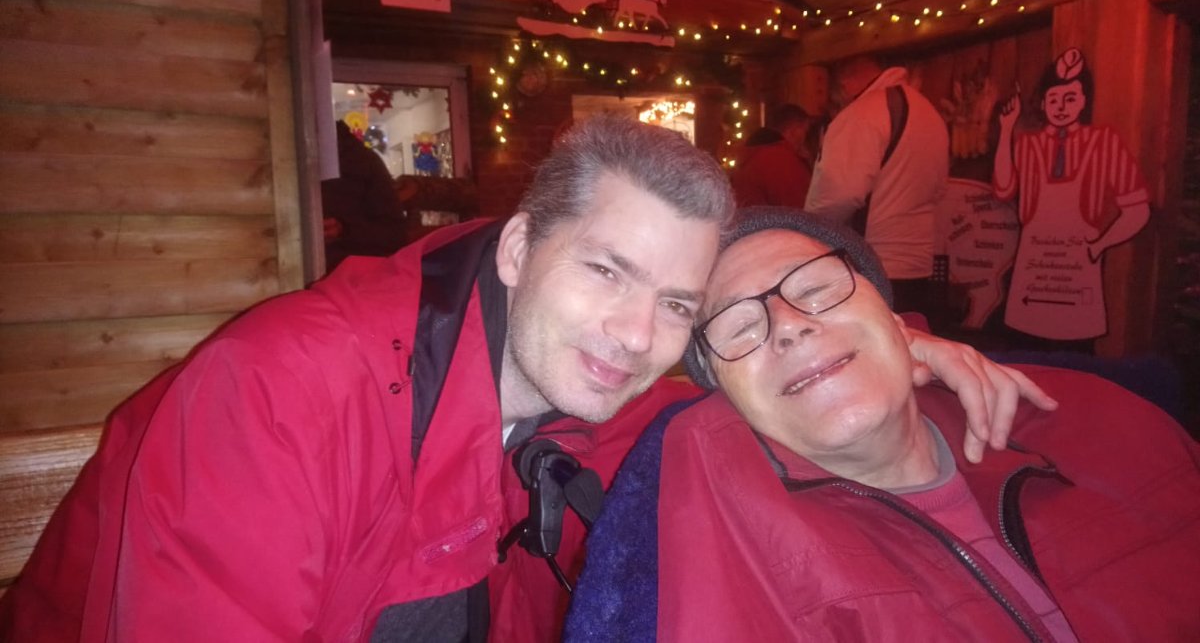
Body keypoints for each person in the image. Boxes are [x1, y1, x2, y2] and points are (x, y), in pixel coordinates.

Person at [1, 116, 1050, 643]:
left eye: (674, 303)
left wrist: (890, 345)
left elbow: (749, 370)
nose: (635, 334)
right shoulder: (287, 392)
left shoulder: (606, 384)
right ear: (515, 249)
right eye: (606, 270)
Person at [565, 207, 1199, 642]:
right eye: (740, 326)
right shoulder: (704, 488)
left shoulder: (1100, 421)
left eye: (818, 290)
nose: (790, 326)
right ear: (723, 395)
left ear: (902, 325)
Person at [993, 47, 1151, 345]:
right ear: (1043, 103)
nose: (1061, 107)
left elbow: (1138, 209)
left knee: (1077, 361)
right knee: (1026, 358)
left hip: (1079, 284)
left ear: (1084, 101)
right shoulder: (1028, 145)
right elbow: (1003, 188)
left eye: (1070, 98)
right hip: (1033, 281)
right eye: (1054, 99)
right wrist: (1006, 131)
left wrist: (1100, 245)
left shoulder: (1104, 142)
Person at [805, 55, 950, 314]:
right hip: (918, 265)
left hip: (872, 263)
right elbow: (939, 190)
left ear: (845, 82)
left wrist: (807, 234)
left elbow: (838, 195)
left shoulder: (862, 114)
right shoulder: (929, 113)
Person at [322, 119, 409, 270]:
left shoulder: (360, 160)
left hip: (344, 270)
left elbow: (395, 234)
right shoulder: (360, 159)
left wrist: (343, 230)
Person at [730, 103, 815, 208]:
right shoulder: (782, 160)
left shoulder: (751, 154)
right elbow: (799, 208)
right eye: (805, 131)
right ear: (794, 130)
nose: (805, 139)